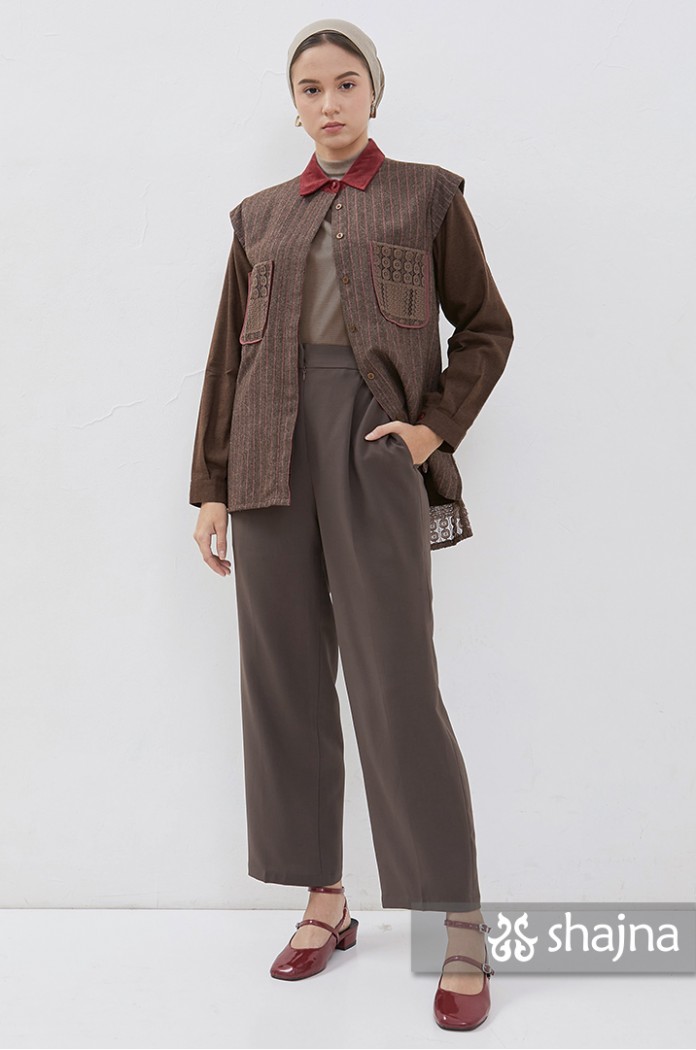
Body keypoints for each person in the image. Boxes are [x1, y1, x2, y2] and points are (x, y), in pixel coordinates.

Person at [189, 18, 514, 1032]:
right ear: (293, 106)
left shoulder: (427, 196)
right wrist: (210, 486)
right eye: (310, 88)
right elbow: (229, 360)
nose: (329, 103)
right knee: (283, 680)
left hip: (373, 447)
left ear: (373, 92)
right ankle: (324, 900)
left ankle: (458, 920)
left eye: (345, 84)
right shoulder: (258, 218)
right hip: (265, 454)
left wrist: (431, 430)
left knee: (395, 681)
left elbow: (487, 327)